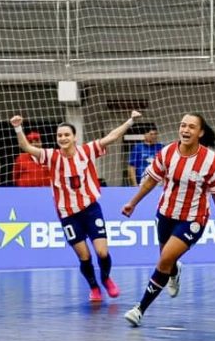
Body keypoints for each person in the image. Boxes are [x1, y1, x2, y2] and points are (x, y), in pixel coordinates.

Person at [10, 111, 141, 302]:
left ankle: (105, 278)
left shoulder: (86, 151)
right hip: (68, 215)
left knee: (102, 252)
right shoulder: (51, 156)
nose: (63, 138)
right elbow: (26, 146)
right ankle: (94, 287)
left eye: (66, 135)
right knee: (84, 256)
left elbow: (111, 137)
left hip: (90, 209)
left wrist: (130, 121)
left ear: (74, 137)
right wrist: (17, 127)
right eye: (60, 135)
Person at [121, 113, 215, 327]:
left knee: (164, 260)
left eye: (191, 127)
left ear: (200, 132)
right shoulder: (166, 153)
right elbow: (149, 182)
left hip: (193, 219)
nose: (185, 130)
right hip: (165, 214)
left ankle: (139, 309)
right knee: (167, 262)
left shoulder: (210, 161)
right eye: (183, 125)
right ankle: (175, 271)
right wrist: (132, 202)